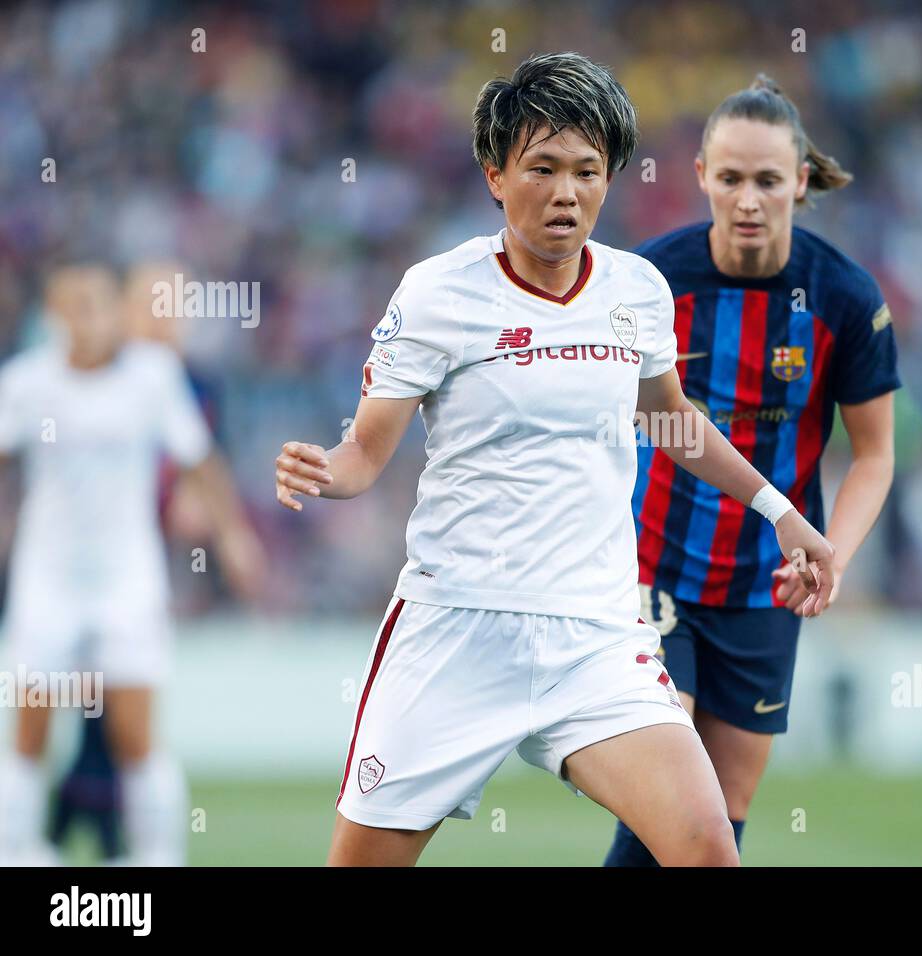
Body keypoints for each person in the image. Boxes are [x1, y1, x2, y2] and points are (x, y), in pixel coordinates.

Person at [272, 52, 836, 867]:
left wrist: (782, 514)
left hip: (595, 635)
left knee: (708, 847)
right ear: (495, 174)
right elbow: (365, 450)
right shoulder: (439, 293)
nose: (567, 192)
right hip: (457, 630)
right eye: (542, 167)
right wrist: (324, 470)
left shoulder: (635, 291)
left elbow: (672, 421)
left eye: (587, 170)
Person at [605, 74, 900, 866]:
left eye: (767, 180)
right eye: (729, 178)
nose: (747, 198)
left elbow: (874, 455)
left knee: (717, 824)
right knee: (665, 799)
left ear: (800, 183)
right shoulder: (647, 283)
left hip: (765, 586)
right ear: (700, 175)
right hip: (649, 571)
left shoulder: (844, 298)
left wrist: (829, 550)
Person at [0, 264, 265, 866]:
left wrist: (234, 536)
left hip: (126, 581)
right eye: (77, 307)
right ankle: (16, 851)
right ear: (56, 317)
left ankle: (154, 859)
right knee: (31, 730)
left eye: (100, 306)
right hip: (47, 580)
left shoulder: (151, 380)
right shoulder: (27, 384)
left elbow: (201, 462)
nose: (90, 320)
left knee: (135, 732)